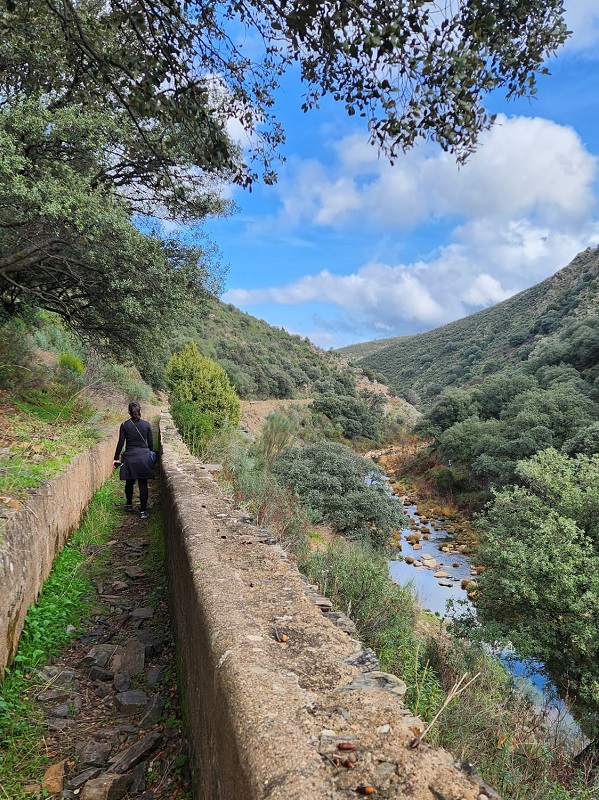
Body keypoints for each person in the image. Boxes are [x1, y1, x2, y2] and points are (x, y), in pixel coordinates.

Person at [113, 401, 155, 519]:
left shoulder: (124, 425)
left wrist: (115, 459)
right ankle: (143, 511)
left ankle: (129, 504)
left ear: (129, 412)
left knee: (129, 482)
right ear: (140, 410)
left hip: (130, 457)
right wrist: (151, 456)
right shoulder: (146, 425)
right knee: (142, 483)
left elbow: (121, 442)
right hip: (143, 457)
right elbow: (151, 444)